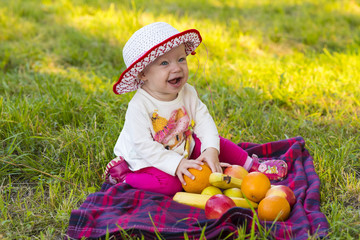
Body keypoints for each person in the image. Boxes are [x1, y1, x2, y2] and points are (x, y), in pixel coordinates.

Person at [104, 22, 287, 196]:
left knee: (217, 143)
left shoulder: (187, 92)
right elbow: (144, 146)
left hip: (181, 145)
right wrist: (177, 164)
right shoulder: (139, 106)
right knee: (171, 185)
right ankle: (124, 177)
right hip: (146, 158)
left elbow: (204, 121)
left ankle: (251, 166)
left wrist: (210, 150)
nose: (177, 68)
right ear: (143, 73)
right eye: (164, 63)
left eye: (181, 59)